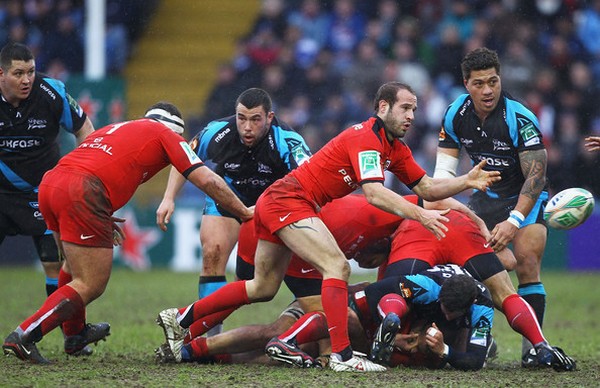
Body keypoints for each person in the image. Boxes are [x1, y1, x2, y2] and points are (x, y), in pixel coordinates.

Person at [156, 82, 500, 372]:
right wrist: (421, 216)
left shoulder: (393, 148)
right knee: (336, 266)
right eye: (406, 108)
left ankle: (182, 317)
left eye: (414, 109)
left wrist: (465, 181)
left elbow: (426, 188)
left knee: (261, 287)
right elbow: (375, 193)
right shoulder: (368, 138)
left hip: (278, 201)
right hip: (290, 202)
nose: (412, 116)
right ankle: (342, 356)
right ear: (383, 107)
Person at [2, 102, 253, 364]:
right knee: (90, 283)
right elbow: (207, 180)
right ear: (176, 132)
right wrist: (244, 212)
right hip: (83, 191)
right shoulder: (166, 135)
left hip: (52, 183)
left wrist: (99, 210)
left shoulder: (117, 128)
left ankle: (75, 334)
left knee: (72, 267)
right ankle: (24, 335)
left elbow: (94, 163)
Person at [156, 88, 310, 336]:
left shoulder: (288, 141)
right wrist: (168, 197)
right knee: (212, 253)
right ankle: (210, 337)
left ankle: (305, 328)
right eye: (241, 118)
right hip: (227, 199)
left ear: (269, 118)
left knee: (300, 264)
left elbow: (309, 179)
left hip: (273, 205)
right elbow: (183, 156)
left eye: (255, 119)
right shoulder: (217, 133)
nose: (247, 127)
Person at [433, 47, 551, 365]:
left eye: (493, 82)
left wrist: (514, 220)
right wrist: (445, 205)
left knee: (526, 260)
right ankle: (473, 338)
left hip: (525, 197)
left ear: (500, 79)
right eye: (479, 84)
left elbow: (536, 179)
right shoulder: (454, 114)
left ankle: (534, 351)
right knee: (469, 266)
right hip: (484, 199)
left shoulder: (520, 118)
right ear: (466, 84)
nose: (488, 91)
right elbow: (442, 175)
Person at [0, 43, 96, 354]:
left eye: (30, 71)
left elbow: (86, 131)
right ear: (1, 74)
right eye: (18, 73)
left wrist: (82, 173)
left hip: (43, 194)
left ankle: (71, 337)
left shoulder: (52, 93)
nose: (27, 79)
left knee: (58, 265)